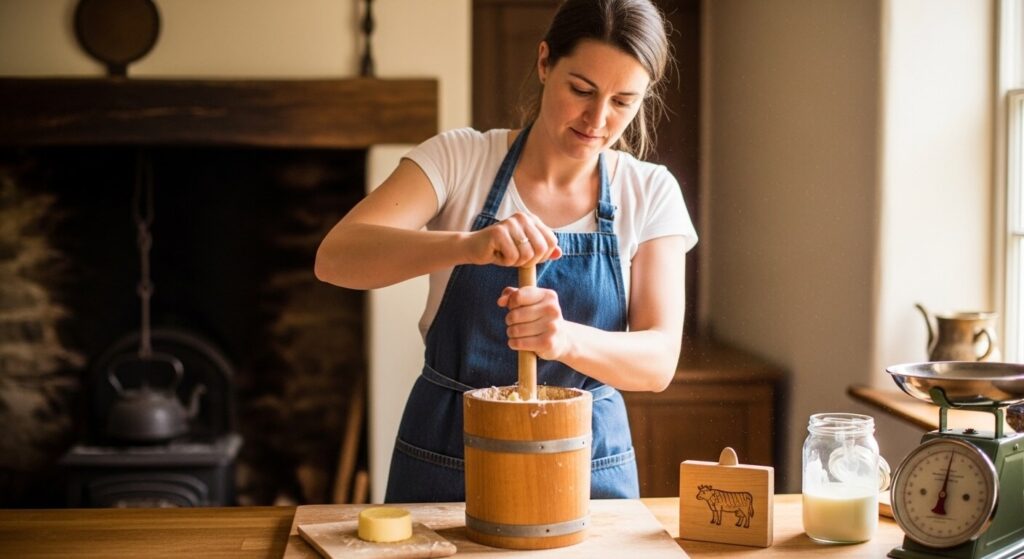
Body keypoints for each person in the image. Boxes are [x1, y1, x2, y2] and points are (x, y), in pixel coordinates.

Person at [314, 0, 697, 503]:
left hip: (587, 465)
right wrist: (468, 245)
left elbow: (658, 361)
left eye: (623, 101)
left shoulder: (650, 193)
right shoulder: (459, 159)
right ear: (544, 63)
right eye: (581, 90)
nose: (597, 119)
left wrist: (562, 340)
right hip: (447, 455)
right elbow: (336, 258)